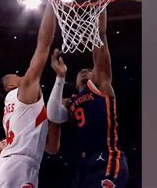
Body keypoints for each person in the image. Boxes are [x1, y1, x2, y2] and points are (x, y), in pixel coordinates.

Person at [46, 10, 129, 188]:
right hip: (84, 164)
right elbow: (53, 115)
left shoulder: (101, 87)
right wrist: (60, 76)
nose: (84, 71)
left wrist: (100, 5)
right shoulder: (72, 102)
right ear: (75, 83)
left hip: (107, 157)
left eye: (89, 70)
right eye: (80, 72)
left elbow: (101, 36)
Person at [0, 0, 59, 188]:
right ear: (11, 85)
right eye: (17, 76)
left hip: (7, 166)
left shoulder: (15, 108)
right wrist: (52, 2)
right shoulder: (23, 93)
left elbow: (52, 148)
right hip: (19, 166)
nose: (25, 75)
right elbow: (43, 46)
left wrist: (54, 115)